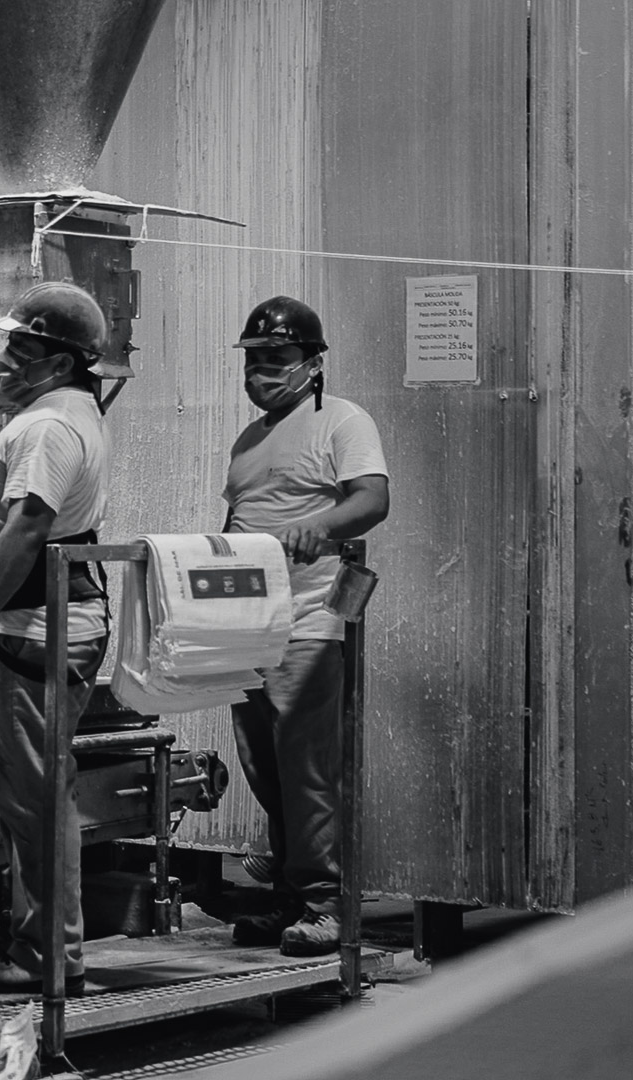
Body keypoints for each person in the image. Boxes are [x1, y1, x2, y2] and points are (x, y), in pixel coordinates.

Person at [0, 281, 114, 993]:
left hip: (30, 627)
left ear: (62, 363)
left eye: (22, 347)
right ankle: (45, 949)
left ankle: (46, 957)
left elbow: (29, 525)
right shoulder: (65, 413)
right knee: (37, 797)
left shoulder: (48, 426)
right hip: (40, 627)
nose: (6, 360)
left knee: (36, 802)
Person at [222, 295, 389, 956]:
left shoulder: (342, 421)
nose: (262, 371)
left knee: (308, 770)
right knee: (265, 767)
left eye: (277, 358)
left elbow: (372, 498)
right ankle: (291, 897)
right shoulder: (248, 441)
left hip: (311, 620)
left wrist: (317, 527)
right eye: (254, 359)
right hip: (249, 626)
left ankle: (327, 904)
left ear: (312, 363)